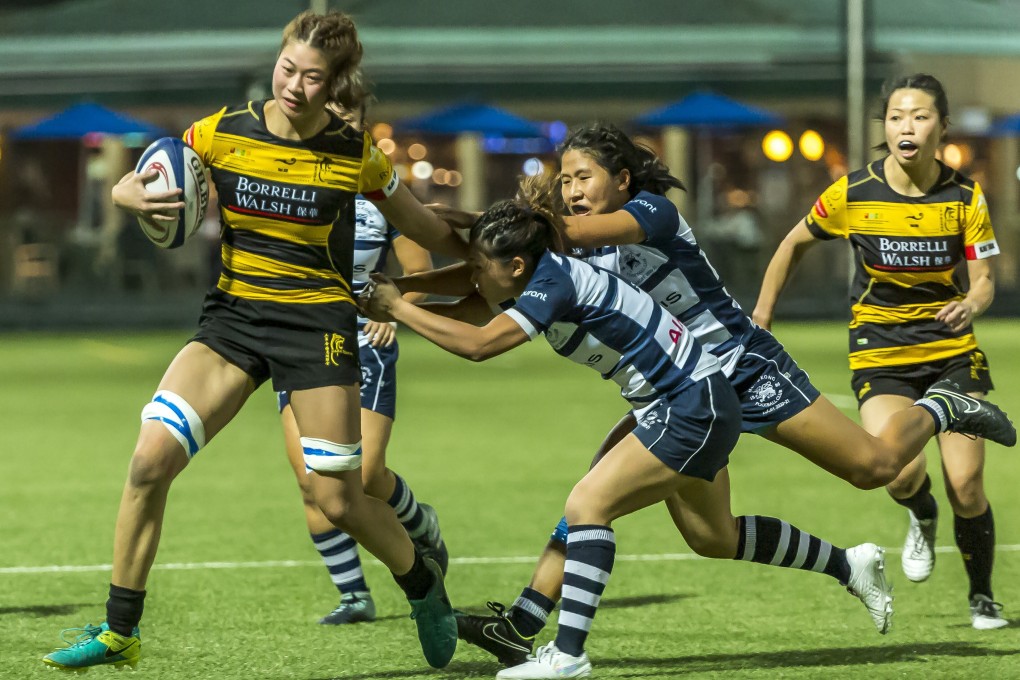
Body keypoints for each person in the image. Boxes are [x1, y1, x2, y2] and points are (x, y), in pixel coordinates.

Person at [409, 123, 1014, 667]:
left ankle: (941, 407)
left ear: (620, 179)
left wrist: (475, 223)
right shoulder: (575, 245)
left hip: (740, 367)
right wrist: (412, 282)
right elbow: (495, 273)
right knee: (708, 537)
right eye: (563, 178)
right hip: (677, 386)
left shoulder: (651, 212)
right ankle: (848, 565)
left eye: (581, 176)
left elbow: (537, 238)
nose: (570, 188)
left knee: (874, 466)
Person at [42, 10, 466, 672]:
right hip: (233, 321)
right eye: (287, 68)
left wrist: (499, 241)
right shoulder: (221, 131)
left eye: (313, 77)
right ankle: (119, 632)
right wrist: (129, 197)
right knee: (149, 459)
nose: (294, 85)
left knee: (337, 500)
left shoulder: (357, 156)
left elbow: (430, 230)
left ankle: (423, 585)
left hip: (318, 328)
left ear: (336, 84)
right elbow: (141, 175)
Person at [364, 196, 893, 680]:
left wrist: (398, 307)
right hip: (689, 403)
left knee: (588, 504)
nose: (474, 275)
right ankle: (849, 564)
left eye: (481, 266)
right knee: (714, 537)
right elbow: (466, 297)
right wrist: (400, 295)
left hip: (690, 406)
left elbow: (479, 345)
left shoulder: (553, 283)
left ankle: (567, 655)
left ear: (516, 266)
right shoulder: (537, 275)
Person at [753, 73, 1011, 630]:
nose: (906, 126)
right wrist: (762, 316)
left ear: (941, 126)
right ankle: (922, 515)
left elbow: (986, 277)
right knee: (896, 472)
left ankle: (983, 596)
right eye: (896, 116)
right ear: (885, 128)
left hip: (951, 352)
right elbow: (792, 242)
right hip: (882, 351)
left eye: (918, 116)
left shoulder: (966, 196)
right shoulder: (853, 192)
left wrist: (972, 301)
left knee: (967, 484)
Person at [278, 194, 447, 626]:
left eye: (352, 118)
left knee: (367, 473)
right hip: (301, 342)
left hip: (364, 342)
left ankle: (420, 523)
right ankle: (354, 595)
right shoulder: (290, 182)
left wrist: (394, 313)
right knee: (310, 480)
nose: (341, 122)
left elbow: (419, 271)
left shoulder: (384, 194)